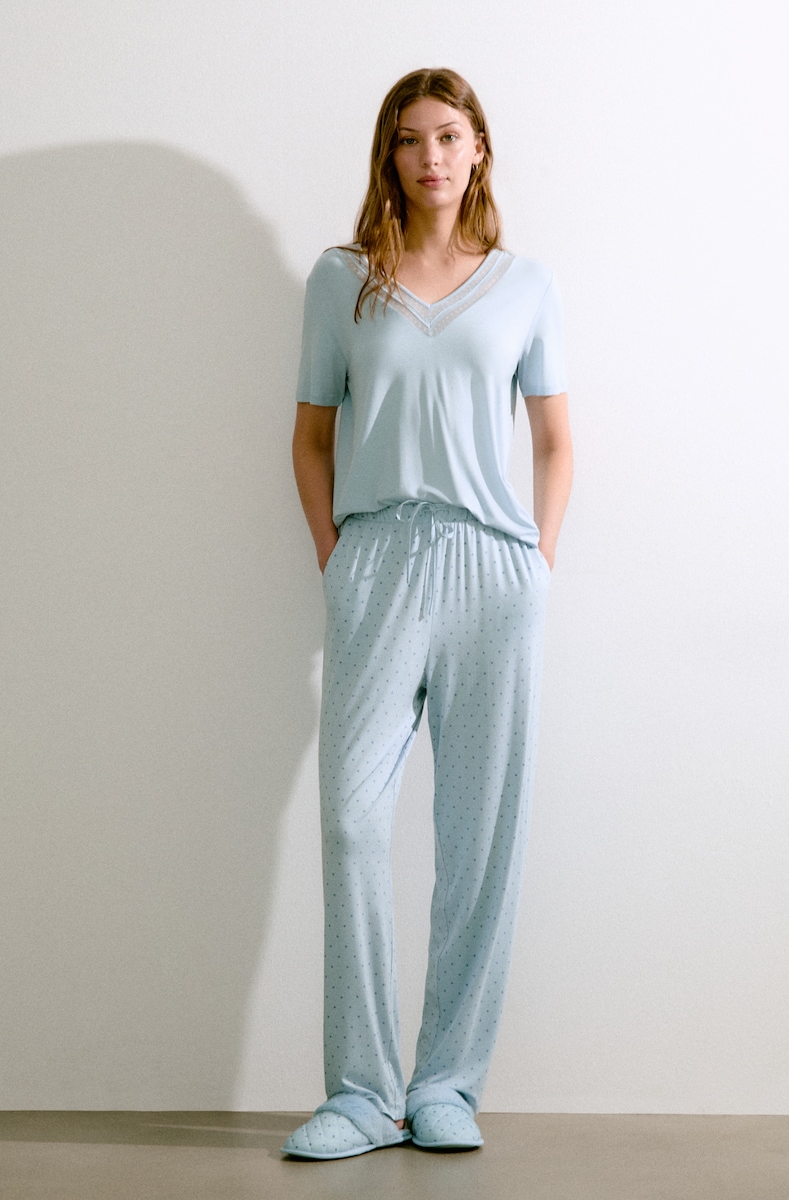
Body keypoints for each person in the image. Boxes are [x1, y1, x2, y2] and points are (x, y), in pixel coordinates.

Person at [283, 67, 573, 1160]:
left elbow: (556, 440)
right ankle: (361, 1094)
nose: (430, 157)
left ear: (478, 147)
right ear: (389, 155)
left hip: (493, 572)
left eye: (448, 136)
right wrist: (337, 558)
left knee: (479, 837)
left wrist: (536, 560)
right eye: (410, 140)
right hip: (378, 560)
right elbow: (311, 436)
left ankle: (447, 1082)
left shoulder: (525, 284)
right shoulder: (343, 279)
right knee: (352, 821)